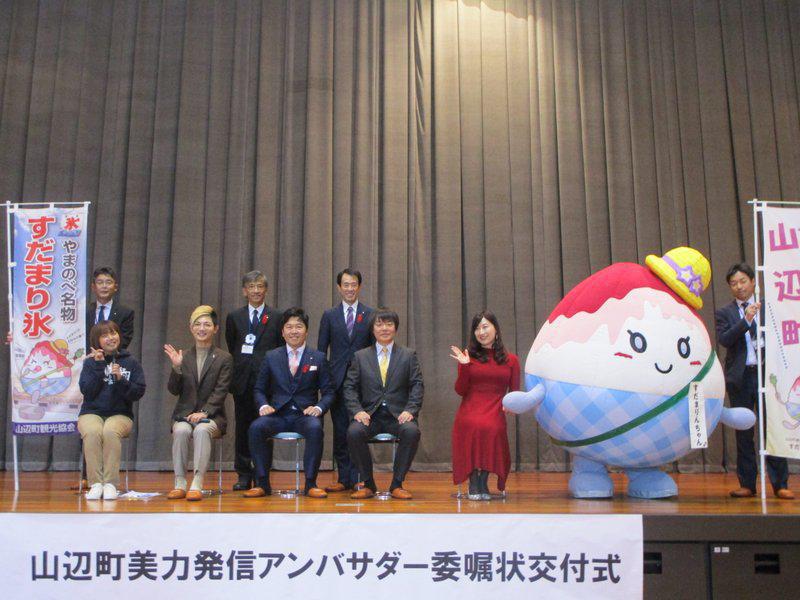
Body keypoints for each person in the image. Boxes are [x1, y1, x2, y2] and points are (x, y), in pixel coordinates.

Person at [715, 263, 793, 500]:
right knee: (744, 432)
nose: (739, 287)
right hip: (741, 378)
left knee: (772, 429)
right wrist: (746, 320)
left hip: (768, 375)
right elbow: (725, 340)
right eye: (734, 283)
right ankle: (747, 484)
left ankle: (780, 484)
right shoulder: (725, 312)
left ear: (752, 282)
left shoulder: (769, 308)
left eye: (743, 281)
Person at [245, 308, 334, 498]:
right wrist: (263, 405)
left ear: (306, 331)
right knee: (256, 428)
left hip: (304, 416)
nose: (294, 331)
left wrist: (318, 408)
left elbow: (329, 392)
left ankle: (311, 483)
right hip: (277, 415)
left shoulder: (318, 357)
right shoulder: (271, 356)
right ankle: (262, 483)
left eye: (299, 327)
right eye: (289, 327)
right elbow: (259, 389)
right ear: (283, 332)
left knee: (315, 429)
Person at [344, 308, 423, 500]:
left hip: (398, 415)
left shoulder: (408, 355)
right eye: (379, 324)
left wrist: (410, 410)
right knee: (354, 432)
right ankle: (368, 483)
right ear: (372, 329)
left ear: (395, 328)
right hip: (370, 415)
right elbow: (349, 387)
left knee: (412, 431)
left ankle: (397, 484)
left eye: (389, 324)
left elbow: (417, 385)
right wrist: (357, 411)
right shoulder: (360, 356)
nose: (384, 328)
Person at [164, 306, 233, 501]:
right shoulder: (183, 356)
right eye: (198, 324)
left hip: (212, 417)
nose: (202, 328)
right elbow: (173, 390)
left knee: (201, 430)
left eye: (207, 324)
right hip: (184, 415)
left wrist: (205, 412)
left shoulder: (224, 358)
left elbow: (221, 391)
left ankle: (197, 482)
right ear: (191, 328)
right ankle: (179, 483)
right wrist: (176, 368)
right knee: (181, 431)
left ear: (215, 329)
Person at [450, 311, 519, 500]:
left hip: (495, 410)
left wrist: (511, 406)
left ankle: (483, 480)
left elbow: (514, 391)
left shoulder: (511, 360)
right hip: (470, 410)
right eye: (477, 328)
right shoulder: (467, 357)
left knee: (492, 427)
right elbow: (460, 390)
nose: (481, 332)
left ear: (496, 329)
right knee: (473, 425)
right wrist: (465, 366)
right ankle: (474, 481)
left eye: (485, 326)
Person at [317, 268, 373, 492]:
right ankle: (343, 478)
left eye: (354, 284)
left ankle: (360, 477)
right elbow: (321, 351)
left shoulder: (370, 314)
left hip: (363, 383)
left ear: (360, 286)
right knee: (340, 431)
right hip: (337, 381)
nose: (350, 289)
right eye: (346, 285)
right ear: (339, 288)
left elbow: (373, 350)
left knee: (358, 430)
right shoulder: (329, 315)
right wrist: (324, 381)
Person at [225, 271, 282, 490]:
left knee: (264, 428)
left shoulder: (276, 316)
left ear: (266, 290)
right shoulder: (234, 317)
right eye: (251, 286)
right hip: (242, 381)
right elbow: (233, 345)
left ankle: (262, 475)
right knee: (242, 428)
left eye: (260, 286)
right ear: (244, 291)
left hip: (267, 384)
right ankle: (243, 474)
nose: (256, 290)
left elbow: (279, 349)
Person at [78, 321, 146, 500]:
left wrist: (121, 380)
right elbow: (87, 391)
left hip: (120, 414)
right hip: (91, 412)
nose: (111, 338)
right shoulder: (90, 363)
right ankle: (95, 484)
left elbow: (138, 392)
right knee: (93, 431)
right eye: (105, 335)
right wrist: (99, 367)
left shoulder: (131, 362)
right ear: (97, 340)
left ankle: (110, 484)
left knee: (110, 431)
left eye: (114, 333)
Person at [86, 267, 134, 351]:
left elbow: (124, 340)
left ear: (115, 287)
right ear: (93, 287)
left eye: (108, 282)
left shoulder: (125, 313)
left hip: (114, 357)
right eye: (100, 282)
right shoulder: (84, 312)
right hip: (88, 357)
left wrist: (105, 354)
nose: (104, 286)